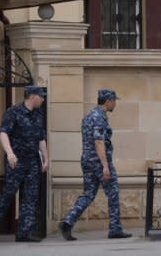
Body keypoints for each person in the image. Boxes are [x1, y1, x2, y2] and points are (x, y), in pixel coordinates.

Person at [58, 89, 132, 241]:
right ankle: (115, 230)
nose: (115, 103)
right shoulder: (98, 117)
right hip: (99, 160)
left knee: (89, 193)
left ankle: (67, 222)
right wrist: (105, 165)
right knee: (113, 192)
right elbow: (98, 141)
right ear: (108, 100)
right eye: (114, 100)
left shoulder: (89, 116)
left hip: (87, 159)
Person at [0, 85, 49, 243]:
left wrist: (46, 159)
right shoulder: (13, 112)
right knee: (7, 195)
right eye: (41, 96)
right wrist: (10, 153)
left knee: (30, 197)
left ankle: (24, 233)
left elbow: (41, 138)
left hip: (33, 162)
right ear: (32, 96)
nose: (43, 99)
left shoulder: (38, 114)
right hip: (17, 161)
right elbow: (3, 132)